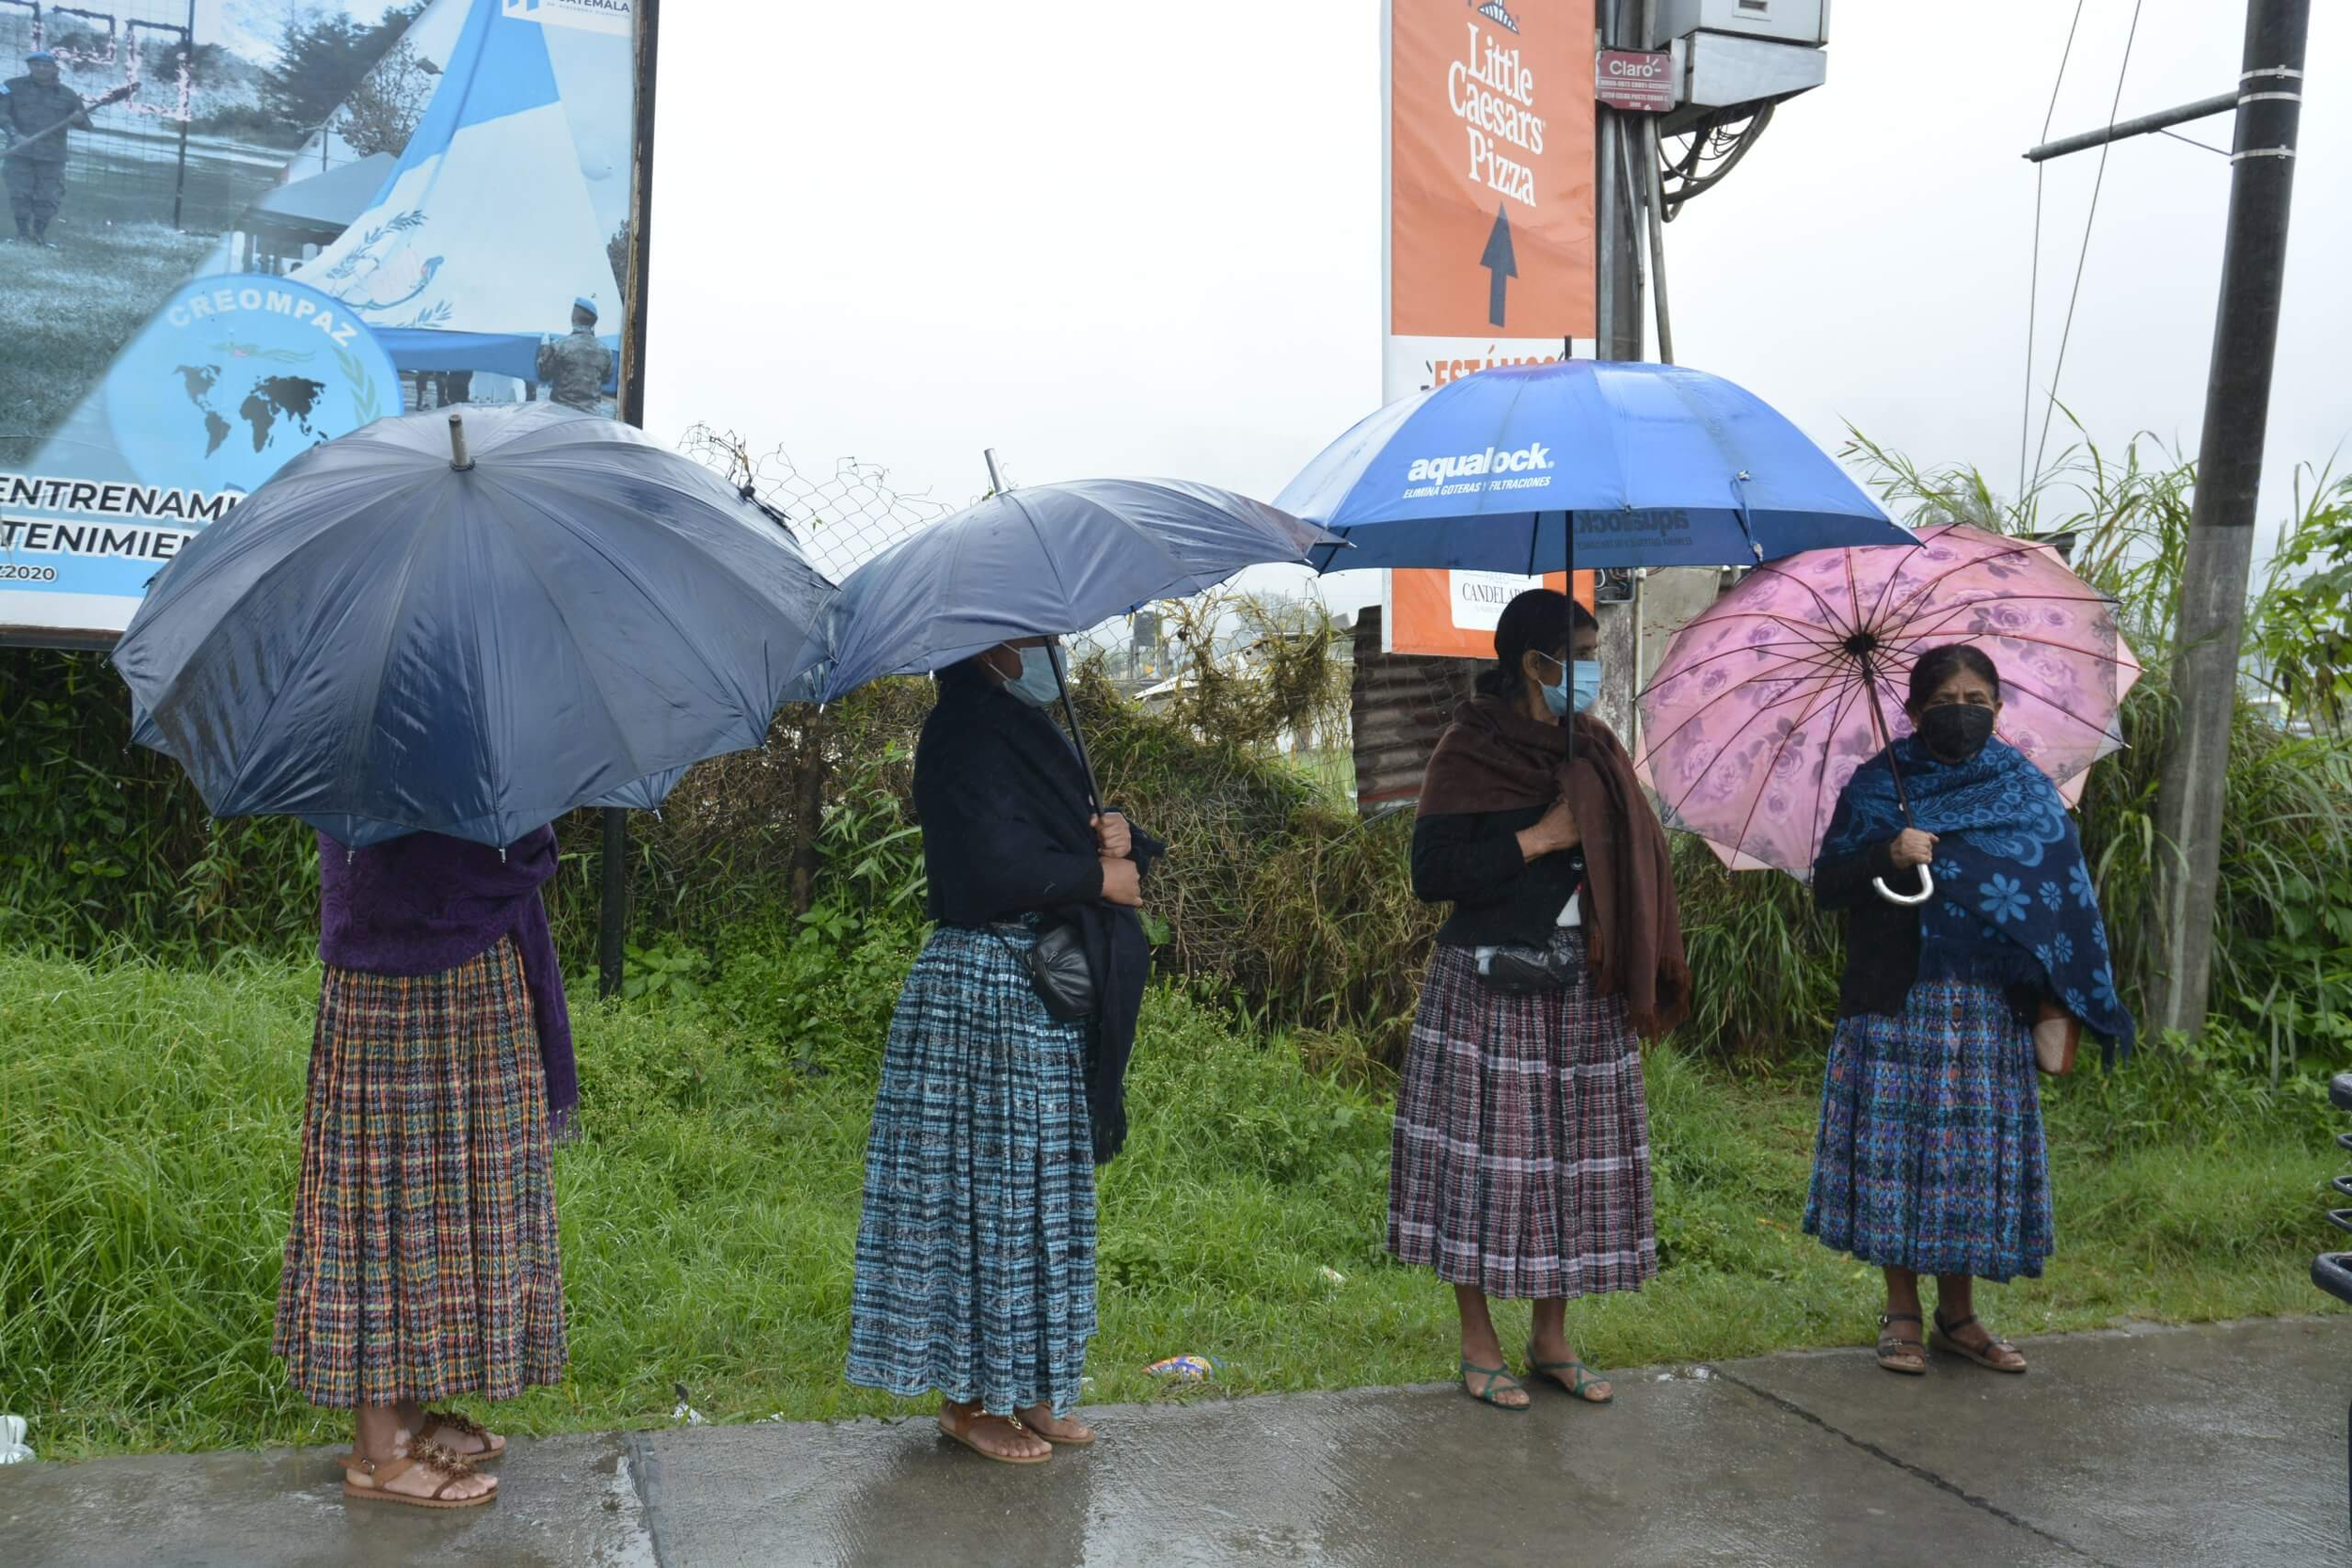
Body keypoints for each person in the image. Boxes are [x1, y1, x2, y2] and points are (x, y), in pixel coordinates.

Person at [846, 638, 1163, 1463]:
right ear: (990, 643)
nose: (1043, 648)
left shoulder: (1016, 726)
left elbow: (1046, 832)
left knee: (1033, 1199)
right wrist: (1097, 878)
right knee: (978, 1199)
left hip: (1029, 995)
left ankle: (1026, 1387)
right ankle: (966, 1402)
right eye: (1029, 635)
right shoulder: (963, 729)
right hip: (982, 988)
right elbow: (986, 865)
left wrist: (1115, 835)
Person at [1395, 588, 1688, 1411]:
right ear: (1535, 663)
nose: (1593, 669)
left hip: (1585, 985)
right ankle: (1478, 1342)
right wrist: (1540, 837)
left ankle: (1551, 1338)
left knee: (1571, 1162)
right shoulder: (1471, 746)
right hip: (1492, 981)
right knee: (1482, 1163)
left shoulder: (1593, 747)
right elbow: (1432, 872)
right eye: (1582, 655)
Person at [1805, 644, 2134, 1377]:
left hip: (1990, 1010)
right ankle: (1900, 1310)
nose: (1963, 713)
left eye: (1978, 701)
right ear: (1914, 711)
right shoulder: (1878, 785)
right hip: (1896, 1001)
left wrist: (2058, 986)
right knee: (1896, 1157)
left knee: (1969, 1164)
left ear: (1999, 708)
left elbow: (2062, 892)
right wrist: (1889, 853)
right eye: (1946, 701)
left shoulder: (2025, 790)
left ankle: (1958, 1316)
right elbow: (1827, 885)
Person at [274, 827, 577, 1508]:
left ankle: (405, 1412)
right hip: (389, 961)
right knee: (380, 1201)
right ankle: (379, 1448)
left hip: (474, 949)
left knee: (433, 1202)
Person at [2, 51, 92, 245]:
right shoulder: (11, 87)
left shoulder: (68, 95)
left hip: (52, 156)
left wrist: (79, 120)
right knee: (20, 194)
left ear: (54, 69)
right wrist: (15, 135)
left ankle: (39, 236)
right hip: (19, 153)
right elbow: (2, 114)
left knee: (48, 197)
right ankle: (22, 234)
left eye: (46, 66)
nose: (41, 69)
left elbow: (87, 125)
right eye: (36, 64)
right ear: (29, 66)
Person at [536, 296, 613, 413]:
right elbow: (606, 379)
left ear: (573, 317)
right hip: (591, 415)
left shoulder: (558, 346)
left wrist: (544, 347)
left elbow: (544, 375)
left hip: (561, 414)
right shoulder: (606, 351)